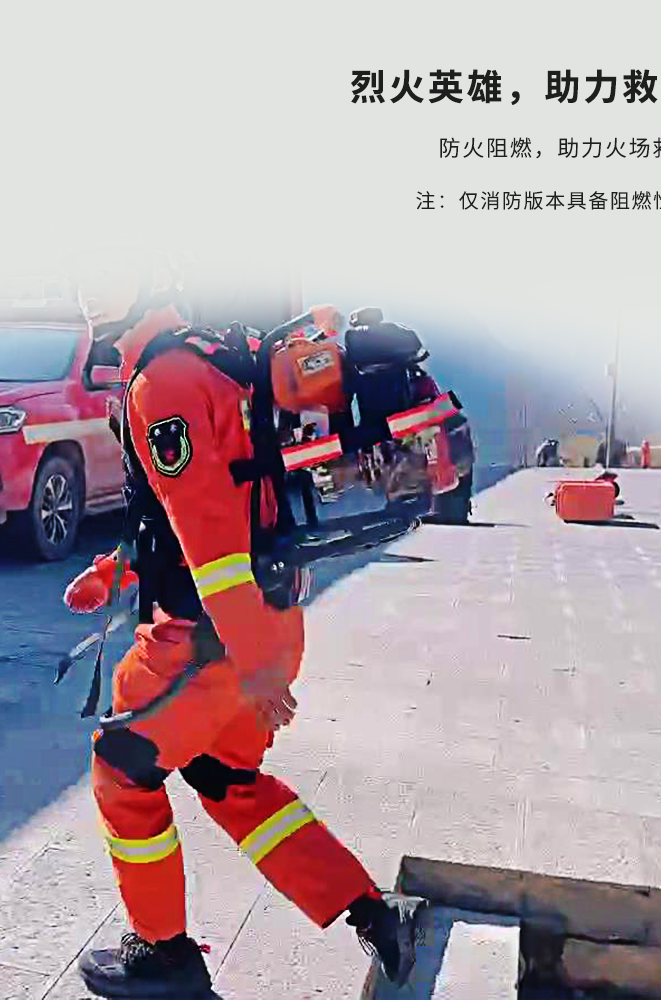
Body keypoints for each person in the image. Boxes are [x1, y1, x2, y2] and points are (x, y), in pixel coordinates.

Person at [64, 250, 425, 998]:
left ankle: (163, 956)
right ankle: (370, 910)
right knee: (227, 779)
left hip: (210, 643)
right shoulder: (205, 362)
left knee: (122, 768)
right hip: (261, 621)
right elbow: (186, 514)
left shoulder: (163, 381)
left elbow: (211, 535)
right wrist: (113, 575)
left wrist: (253, 663)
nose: (88, 291)